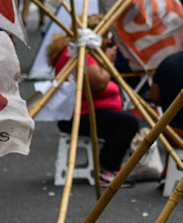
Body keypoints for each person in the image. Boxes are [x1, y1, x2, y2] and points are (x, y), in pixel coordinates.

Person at [46, 22, 140, 177]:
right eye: (105, 37)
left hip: (86, 112)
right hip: (78, 117)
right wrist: (108, 61)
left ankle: (104, 165)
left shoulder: (84, 53)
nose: (108, 42)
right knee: (128, 123)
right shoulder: (83, 54)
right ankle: (108, 169)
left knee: (121, 121)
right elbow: (99, 83)